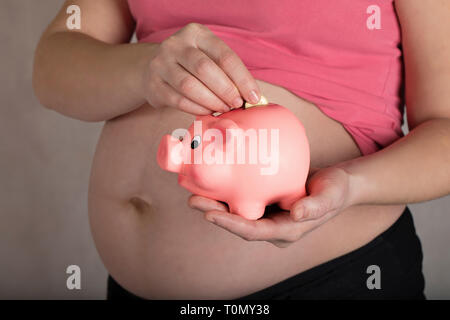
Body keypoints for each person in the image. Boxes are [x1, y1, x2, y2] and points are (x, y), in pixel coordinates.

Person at [33, 0, 450, 299]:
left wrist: (350, 186)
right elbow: (53, 65)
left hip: (328, 277)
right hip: (129, 288)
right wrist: (143, 68)